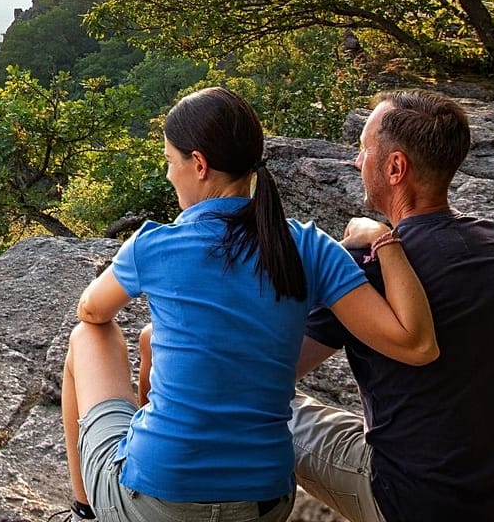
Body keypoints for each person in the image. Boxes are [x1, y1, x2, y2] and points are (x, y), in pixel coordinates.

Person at [61, 87, 439, 522]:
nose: (169, 175)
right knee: (151, 339)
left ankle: (84, 512)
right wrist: (384, 239)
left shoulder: (155, 244)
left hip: (156, 501)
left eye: (171, 161)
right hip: (265, 503)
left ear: (199, 164)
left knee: (87, 337)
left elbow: (91, 311)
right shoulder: (309, 247)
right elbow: (416, 343)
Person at [292, 89, 494, 522]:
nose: (355, 161)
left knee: (264, 407)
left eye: (363, 150)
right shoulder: (491, 244)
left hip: (414, 501)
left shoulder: (364, 266)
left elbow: (279, 370)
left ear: (396, 167)